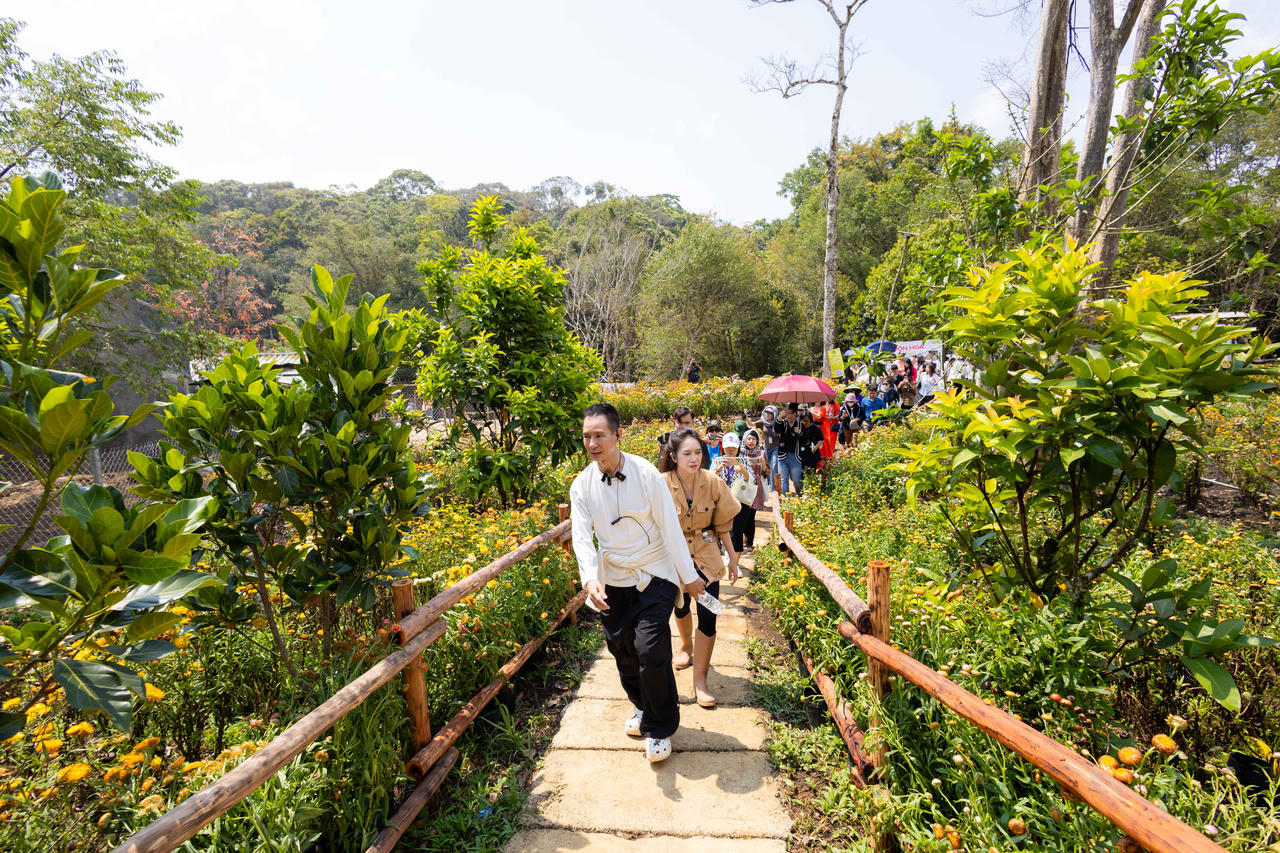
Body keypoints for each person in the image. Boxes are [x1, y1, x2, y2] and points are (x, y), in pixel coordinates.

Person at [570, 403, 707, 763]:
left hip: (654, 572)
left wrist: (688, 578)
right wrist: (590, 579)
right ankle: (643, 706)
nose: (593, 443)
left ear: (618, 435)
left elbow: (670, 528)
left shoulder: (646, 474)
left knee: (650, 648)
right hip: (612, 577)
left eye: (600, 435)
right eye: (587, 436)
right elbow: (582, 537)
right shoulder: (581, 485)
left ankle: (661, 726)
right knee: (621, 649)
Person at [660, 427, 740, 708]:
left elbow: (723, 524)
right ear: (673, 455)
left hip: (707, 554)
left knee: (708, 614)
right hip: (674, 554)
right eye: (687, 453)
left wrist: (732, 558)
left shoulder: (712, 481)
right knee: (679, 606)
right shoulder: (661, 483)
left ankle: (700, 680)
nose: (694, 459)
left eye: (698, 452)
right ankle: (686, 645)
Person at [733, 428, 768, 554]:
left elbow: (766, 473)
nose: (751, 441)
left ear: (757, 440)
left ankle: (749, 543)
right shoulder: (739, 453)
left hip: (755, 487)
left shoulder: (761, 453)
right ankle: (741, 540)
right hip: (742, 488)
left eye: (754, 439)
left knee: (751, 516)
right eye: (749, 438)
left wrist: (763, 465)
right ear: (745, 440)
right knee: (741, 515)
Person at [771, 403, 806, 496]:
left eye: (792, 413)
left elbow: (805, 440)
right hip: (782, 456)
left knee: (796, 479)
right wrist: (779, 418)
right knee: (784, 479)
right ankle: (785, 500)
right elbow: (777, 430)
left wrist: (799, 433)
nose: (790, 416)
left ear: (796, 414)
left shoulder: (800, 425)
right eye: (788, 413)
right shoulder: (783, 424)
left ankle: (801, 495)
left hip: (795, 456)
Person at [754, 405, 781, 488]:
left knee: (774, 465)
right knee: (767, 466)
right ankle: (768, 483)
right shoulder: (763, 422)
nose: (767, 414)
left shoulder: (778, 423)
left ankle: (774, 486)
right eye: (766, 412)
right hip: (767, 447)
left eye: (770, 413)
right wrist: (747, 417)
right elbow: (751, 424)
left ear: (774, 414)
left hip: (776, 447)